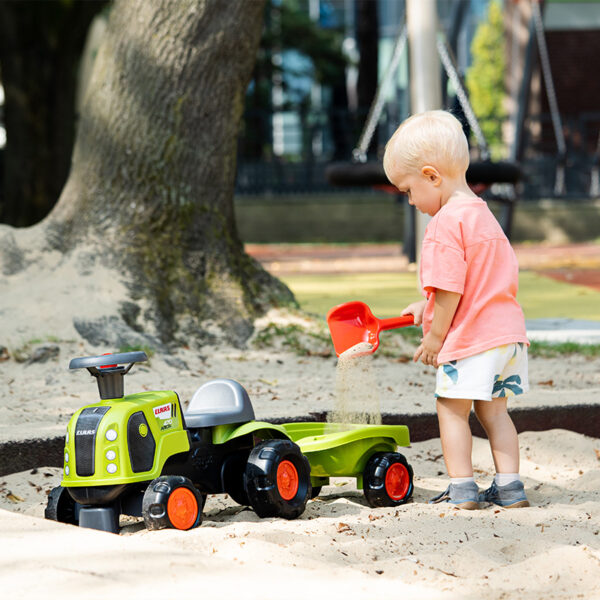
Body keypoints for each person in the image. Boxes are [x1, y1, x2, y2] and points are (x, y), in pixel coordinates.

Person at [383, 110, 530, 510]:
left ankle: (463, 488)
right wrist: (424, 306)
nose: (411, 201)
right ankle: (511, 487)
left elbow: (449, 290)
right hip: (507, 339)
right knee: (496, 414)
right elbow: (476, 281)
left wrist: (434, 337)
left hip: (471, 341)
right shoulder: (483, 215)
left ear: (432, 176)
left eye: (409, 190)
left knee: (451, 411)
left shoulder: (444, 224)